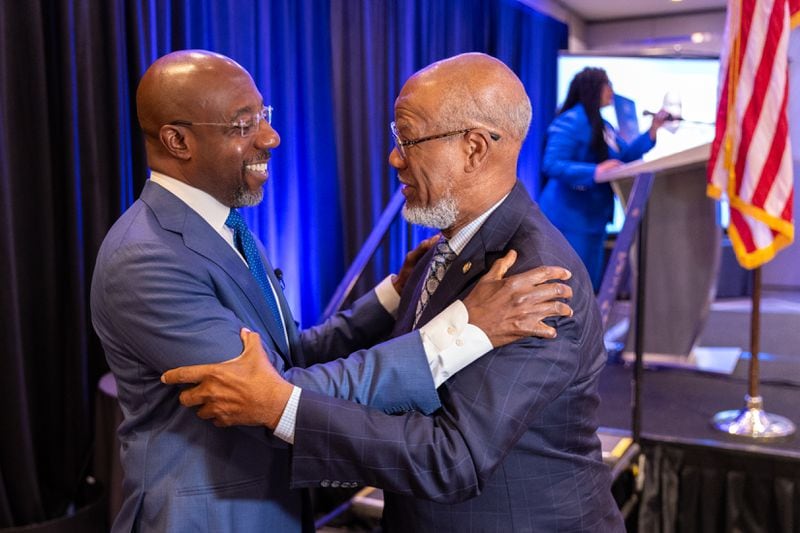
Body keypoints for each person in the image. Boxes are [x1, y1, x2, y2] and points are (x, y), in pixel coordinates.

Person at [90, 49, 575, 532]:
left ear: (473, 148)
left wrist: (391, 296)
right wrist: (461, 330)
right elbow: (266, 396)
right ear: (178, 141)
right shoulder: (146, 257)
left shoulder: (225, 223)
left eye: (264, 115)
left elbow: (291, 361)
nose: (271, 136)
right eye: (244, 125)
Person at [538, 67, 669, 291]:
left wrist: (653, 130)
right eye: (607, 84)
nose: (612, 91)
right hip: (569, 219)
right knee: (568, 288)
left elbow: (624, 157)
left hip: (593, 220)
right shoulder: (572, 120)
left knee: (588, 287)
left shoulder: (604, 125)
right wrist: (594, 172)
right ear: (592, 88)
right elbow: (551, 163)